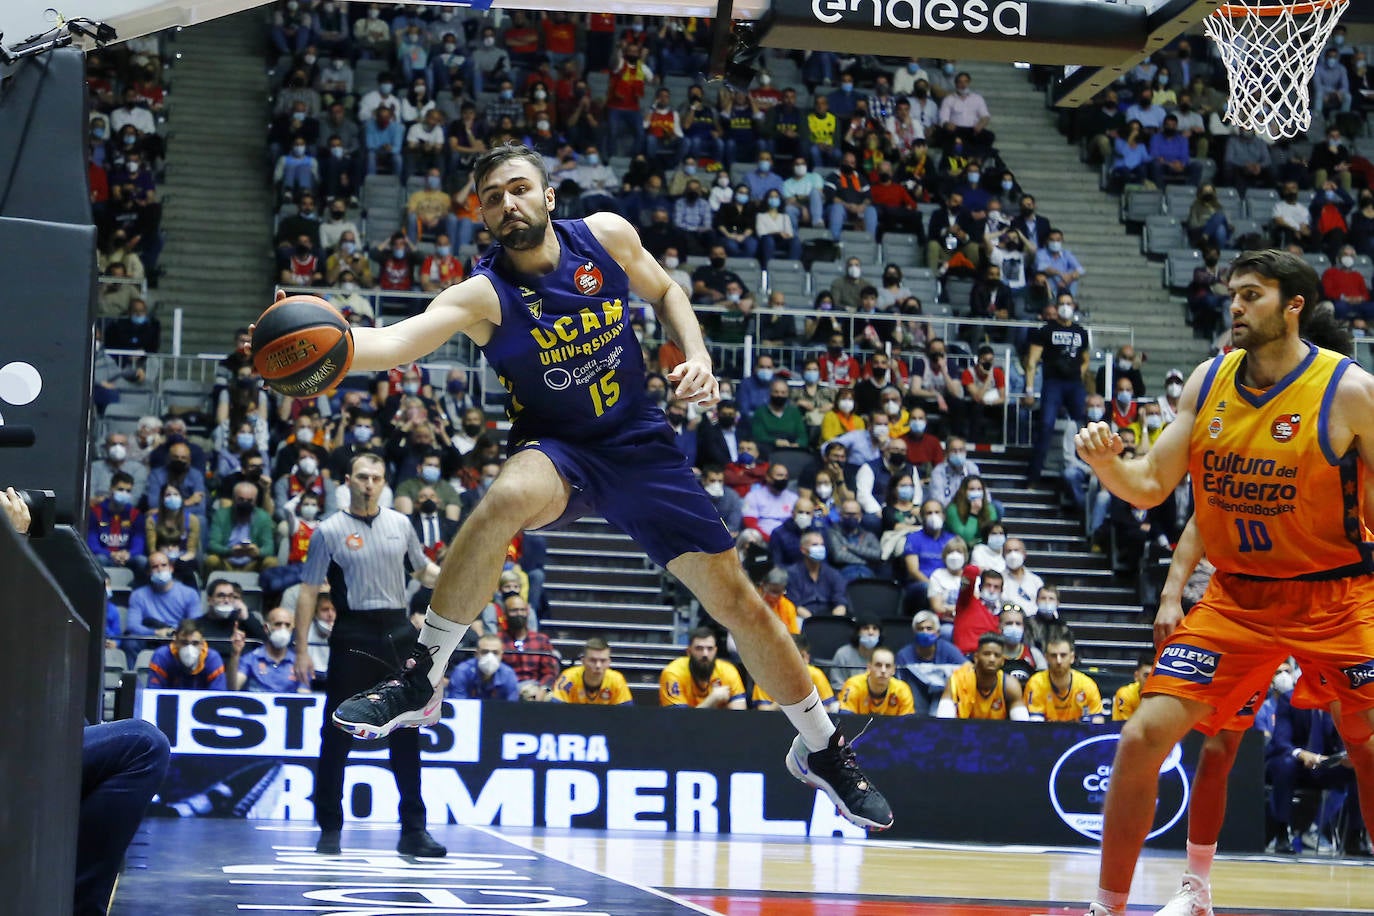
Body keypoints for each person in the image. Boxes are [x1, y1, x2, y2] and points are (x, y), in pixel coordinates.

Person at [273, 142, 889, 829]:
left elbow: (667, 291)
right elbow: (395, 340)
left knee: (742, 604)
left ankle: (821, 747)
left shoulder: (607, 237)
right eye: (493, 197)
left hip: (639, 447)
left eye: (519, 188)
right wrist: (312, 340)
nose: (509, 202)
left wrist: (698, 354)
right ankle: (422, 677)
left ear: (547, 196)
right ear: (481, 216)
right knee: (504, 496)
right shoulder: (484, 294)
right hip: (558, 452)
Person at [1079, 251, 1374, 916]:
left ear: (1293, 305)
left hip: (1337, 594)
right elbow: (1152, 485)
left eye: (1251, 295)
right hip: (1237, 597)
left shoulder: (1351, 391)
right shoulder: (1209, 381)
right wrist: (1107, 463)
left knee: (1369, 745)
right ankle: (1109, 908)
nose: (1235, 307)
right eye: (1232, 295)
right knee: (1141, 737)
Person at [290, 452, 446, 858]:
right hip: (353, 634)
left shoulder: (400, 523)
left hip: (396, 633)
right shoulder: (328, 530)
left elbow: (424, 571)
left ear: (384, 482)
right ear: (348, 480)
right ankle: (329, 827)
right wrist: (302, 649)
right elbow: (309, 590)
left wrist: (455, 578)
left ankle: (414, 830)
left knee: (407, 731)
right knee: (337, 733)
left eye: (376, 477)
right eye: (362, 477)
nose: (369, 483)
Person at [936, 633, 1029, 719]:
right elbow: (943, 722)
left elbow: (1023, 725)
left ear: (1002, 661)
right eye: (987, 654)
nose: (992, 659)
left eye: (997, 655)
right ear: (976, 657)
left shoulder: (1010, 685)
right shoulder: (957, 680)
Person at [659, 627, 747, 709]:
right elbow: (678, 721)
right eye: (699, 648)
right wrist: (712, 700)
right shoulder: (673, 673)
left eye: (710, 649)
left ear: (715, 651)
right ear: (689, 652)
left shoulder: (728, 671)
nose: (705, 654)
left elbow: (739, 715)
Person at [228, 606, 300, 692]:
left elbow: (305, 695)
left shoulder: (299, 662)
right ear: (266, 628)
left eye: (287, 625)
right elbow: (233, 687)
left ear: (292, 629)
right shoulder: (251, 659)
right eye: (278, 624)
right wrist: (235, 654)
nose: (283, 629)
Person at [147, 618, 227, 689]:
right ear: (175, 642)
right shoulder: (161, 656)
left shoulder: (212, 659)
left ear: (202, 644)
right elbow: (154, 692)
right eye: (184, 643)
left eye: (195, 643)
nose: (189, 648)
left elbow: (217, 696)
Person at [552, 636, 634, 704]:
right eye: (593, 660)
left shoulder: (617, 680)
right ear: (583, 661)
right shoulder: (568, 677)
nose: (598, 665)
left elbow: (626, 715)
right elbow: (556, 711)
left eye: (603, 661)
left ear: (609, 662)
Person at [838, 646, 915, 716]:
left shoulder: (902, 689)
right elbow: (845, 719)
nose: (883, 670)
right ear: (869, 667)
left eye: (888, 666)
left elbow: (908, 725)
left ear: (893, 670)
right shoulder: (853, 685)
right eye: (878, 665)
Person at [446, 633, 519, 701]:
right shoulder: (462, 672)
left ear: (501, 654)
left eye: (495, 652)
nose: (490, 657)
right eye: (485, 652)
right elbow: (458, 704)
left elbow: (512, 707)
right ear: (476, 654)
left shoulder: (508, 674)